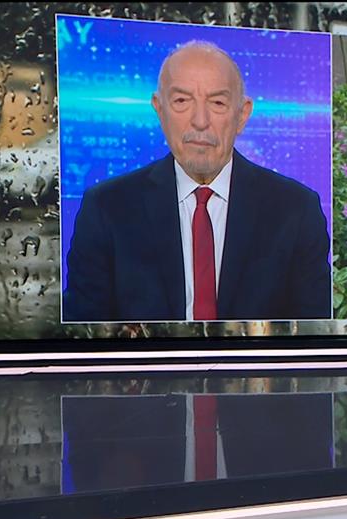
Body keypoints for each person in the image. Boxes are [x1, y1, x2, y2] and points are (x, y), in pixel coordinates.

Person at [63, 41, 331, 322]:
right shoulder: (107, 207)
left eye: (217, 103)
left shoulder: (296, 209)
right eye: (181, 101)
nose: (200, 121)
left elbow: (313, 332)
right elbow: (84, 331)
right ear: (159, 110)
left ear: (242, 115)